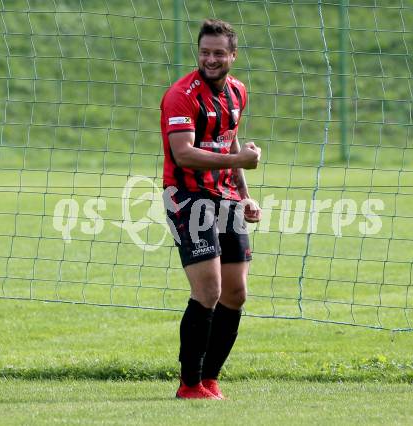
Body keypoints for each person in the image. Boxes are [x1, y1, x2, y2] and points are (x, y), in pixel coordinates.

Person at [160, 18, 262, 400]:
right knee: (209, 289)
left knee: (235, 293)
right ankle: (189, 385)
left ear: (233, 55)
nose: (211, 59)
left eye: (219, 53)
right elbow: (183, 153)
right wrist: (239, 158)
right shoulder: (181, 95)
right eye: (205, 52)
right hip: (187, 198)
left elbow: (227, 145)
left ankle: (210, 379)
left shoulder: (237, 92)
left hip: (227, 198)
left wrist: (246, 194)